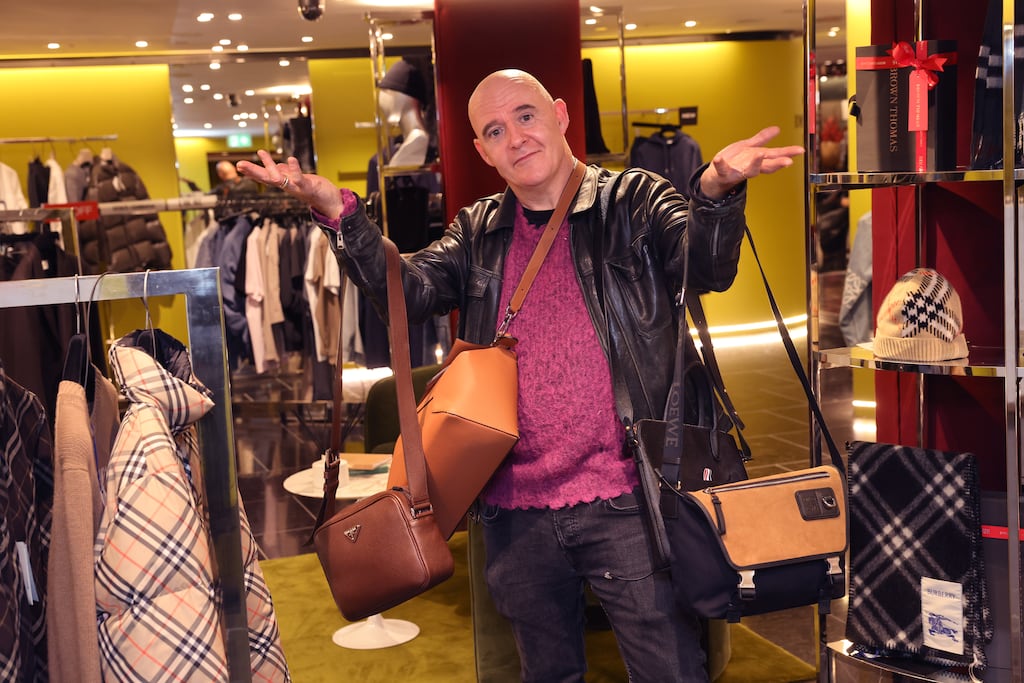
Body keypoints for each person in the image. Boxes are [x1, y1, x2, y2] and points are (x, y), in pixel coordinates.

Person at [238, 68, 803, 682]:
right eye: (496, 130)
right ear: (482, 151)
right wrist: (340, 215)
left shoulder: (634, 200)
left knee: (669, 668)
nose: (517, 138)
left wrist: (717, 190)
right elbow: (408, 291)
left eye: (526, 116)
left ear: (560, 115)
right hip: (515, 512)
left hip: (627, 499)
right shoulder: (478, 229)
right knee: (545, 674)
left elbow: (706, 266)